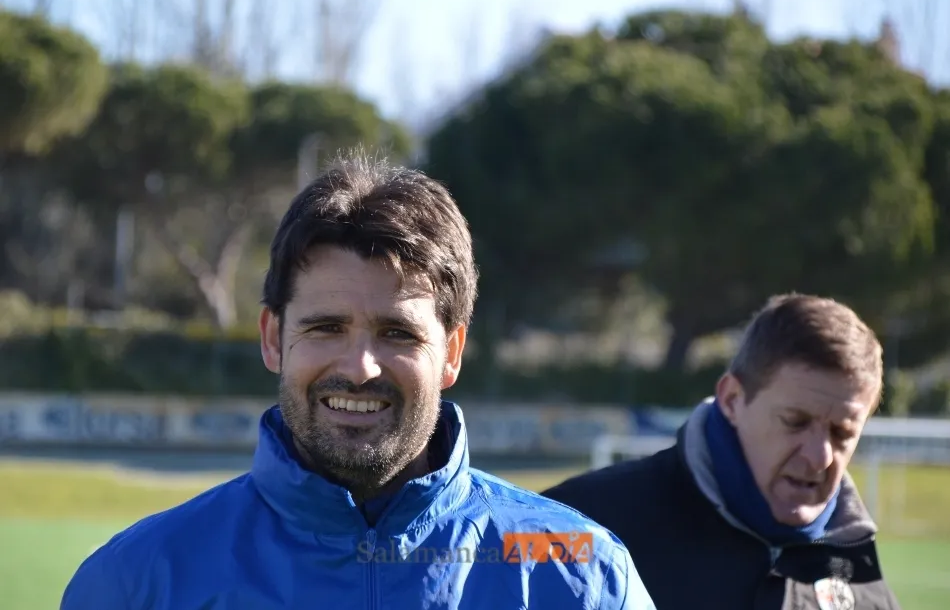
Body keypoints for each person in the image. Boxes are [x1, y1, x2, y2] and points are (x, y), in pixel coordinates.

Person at [61, 150, 656, 610]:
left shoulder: (580, 574)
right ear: (273, 338)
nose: (359, 367)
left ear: (451, 353)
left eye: (397, 333)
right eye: (326, 327)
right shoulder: (138, 581)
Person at [542, 293, 903, 610]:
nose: (819, 457)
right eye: (795, 422)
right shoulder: (580, 528)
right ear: (732, 399)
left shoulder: (862, 580)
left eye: (842, 433)